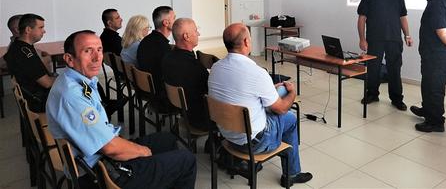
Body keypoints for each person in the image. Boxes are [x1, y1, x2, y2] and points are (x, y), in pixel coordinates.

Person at [46, 30, 196, 189]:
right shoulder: (73, 96)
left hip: (98, 158)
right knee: (186, 160)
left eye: (99, 50)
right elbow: (111, 148)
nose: (97, 58)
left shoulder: (71, 80)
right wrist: (143, 151)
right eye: (88, 51)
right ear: (69, 59)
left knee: (167, 139)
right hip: (101, 173)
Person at [208, 23, 312, 186]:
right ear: (246, 42)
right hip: (253, 143)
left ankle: (245, 163)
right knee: (290, 118)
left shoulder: (215, 67)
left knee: (270, 99)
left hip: (227, 135)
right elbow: (280, 109)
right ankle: (291, 173)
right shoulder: (257, 73)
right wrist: (292, 93)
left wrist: (270, 89)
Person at [357, 0, 412, 111]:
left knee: (394, 68)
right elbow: (362, 18)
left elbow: (403, 17)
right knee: (373, 68)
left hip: (394, 39)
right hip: (375, 39)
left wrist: (407, 35)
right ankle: (372, 94)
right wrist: (362, 39)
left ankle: (396, 98)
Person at [410, 0, 446, 132]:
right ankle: (428, 110)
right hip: (433, 54)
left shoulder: (436, 3)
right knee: (428, 83)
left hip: (437, 55)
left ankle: (435, 122)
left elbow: (442, 32)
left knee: (434, 87)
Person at [161, 18, 209, 130]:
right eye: (196, 31)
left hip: (182, 111)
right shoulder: (193, 67)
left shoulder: (167, 57)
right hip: (199, 118)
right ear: (186, 36)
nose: (198, 34)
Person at [4, 13, 55, 112]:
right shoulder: (25, 54)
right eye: (41, 27)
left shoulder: (18, 46)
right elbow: (47, 83)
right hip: (40, 101)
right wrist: (65, 77)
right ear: (28, 30)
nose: (44, 31)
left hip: (34, 97)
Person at [137, 6, 176, 107]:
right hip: (161, 97)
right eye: (174, 18)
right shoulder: (163, 47)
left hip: (146, 90)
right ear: (166, 23)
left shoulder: (145, 41)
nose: (176, 22)